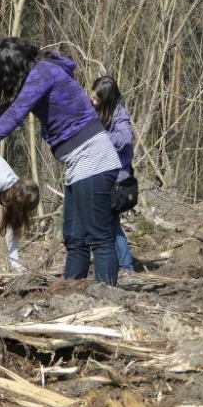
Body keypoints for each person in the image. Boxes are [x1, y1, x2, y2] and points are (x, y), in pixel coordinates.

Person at [0, 37, 121, 286]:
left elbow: (16, 113)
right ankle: (71, 296)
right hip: (77, 163)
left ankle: (109, 297)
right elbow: (8, 109)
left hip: (94, 158)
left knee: (99, 238)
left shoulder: (44, 72)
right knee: (75, 238)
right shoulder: (37, 76)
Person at [90, 76, 135, 272]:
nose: (93, 101)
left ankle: (126, 265)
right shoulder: (98, 112)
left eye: (97, 99)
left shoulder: (119, 114)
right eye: (92, 96)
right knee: (108, 223)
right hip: (102, 176)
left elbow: (126, 138)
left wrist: (102, 137)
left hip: (117, 180)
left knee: (111, 224)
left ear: (107, 99)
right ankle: (120, 263)